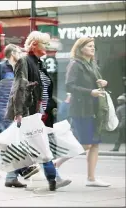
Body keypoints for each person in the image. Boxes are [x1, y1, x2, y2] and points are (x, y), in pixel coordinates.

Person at [6, 31, 71, 191]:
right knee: (39, 146)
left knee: (31, 146)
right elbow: (19, 88)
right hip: (28, 112)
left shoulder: (39, 63)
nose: (48, 48)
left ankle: (13, 175)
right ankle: (53, 177)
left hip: (38, 112)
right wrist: (19, 113)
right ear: (35, 45)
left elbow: (43, 89)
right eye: (45, 45)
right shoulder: (25, 61)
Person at [0, 44, 41, 188]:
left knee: (2, 137)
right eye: (19, 51)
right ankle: (15, 173)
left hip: (13, 107)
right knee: (13, 139)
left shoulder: (21, 68)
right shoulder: (0, 68)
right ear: (12, 53)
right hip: (0, 107)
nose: (21, 53)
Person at [65, 37, 111, 187]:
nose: (93, 48)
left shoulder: (93, 65)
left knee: (95, 144)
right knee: (85, 145)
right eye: (89, 46)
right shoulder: (75, 64)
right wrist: (90, 92)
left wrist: (103, 83)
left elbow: (96, 84)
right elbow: (70, 87)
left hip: (95, 109)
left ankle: (91, 179)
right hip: (81, 109)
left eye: (93, 46)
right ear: (81, 48)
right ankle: (54, 164)